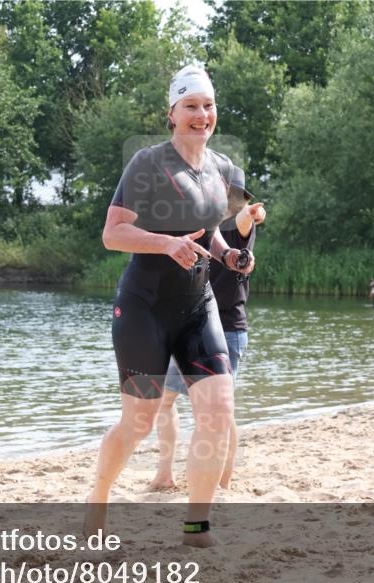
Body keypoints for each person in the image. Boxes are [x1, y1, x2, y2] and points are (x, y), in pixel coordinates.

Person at [86, 65, 259, 548]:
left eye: (208, 106)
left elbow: (213, 229)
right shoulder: (147, 163)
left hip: (198, 308)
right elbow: (112, 233)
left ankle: (196, 525)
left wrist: (228, 255)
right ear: (173, 113)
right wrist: (165, 244)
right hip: (144, 310)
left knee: (219, 409)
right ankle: (98, 500)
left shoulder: (222, 169)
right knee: (138, 422)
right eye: (191, 106)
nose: (201, 115)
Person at [150, 170, 264, 492]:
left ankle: (223, 482)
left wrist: (250, 213)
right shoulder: (203, 225)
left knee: (221, 413)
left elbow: (244, 218)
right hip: (192, 327)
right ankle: (164, 474)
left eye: (234, 194)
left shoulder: (237, 226)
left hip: (227, 330)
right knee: (164, 401)